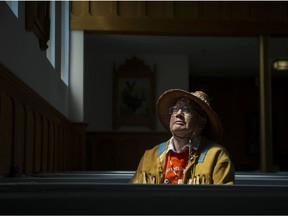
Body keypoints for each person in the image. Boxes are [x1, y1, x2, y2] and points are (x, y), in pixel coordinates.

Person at [129, 88, 235, 184]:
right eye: (175, 109)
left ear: (201, 123)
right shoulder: (150, 155)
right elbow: (133, 195)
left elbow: (224, 199)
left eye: (187, 110)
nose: (179, 114)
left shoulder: (216, 155)